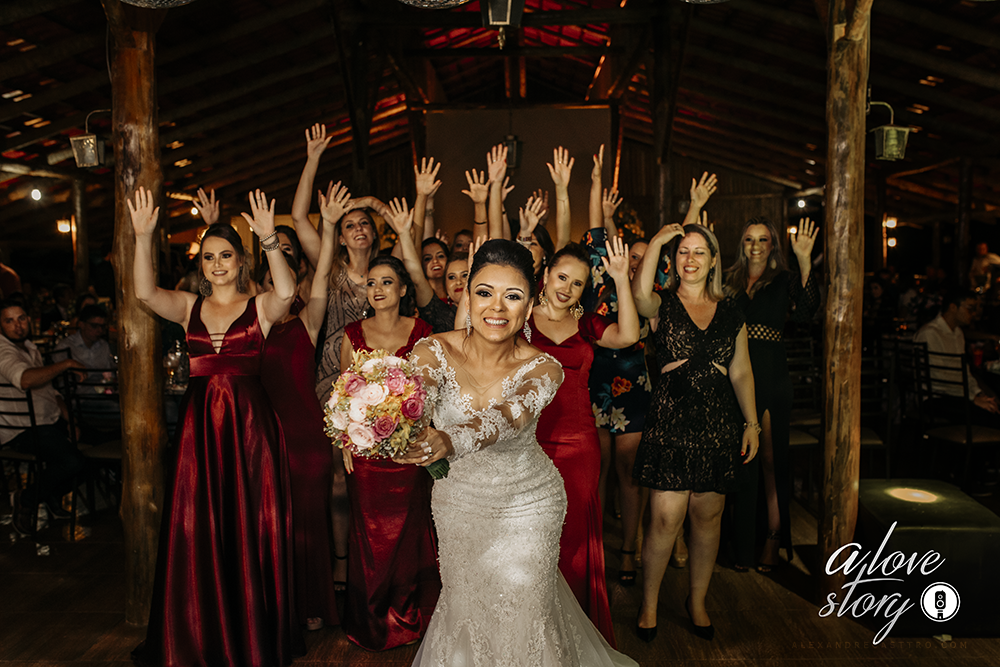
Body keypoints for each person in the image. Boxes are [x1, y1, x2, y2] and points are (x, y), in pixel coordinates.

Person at [394, 239, 637, 667]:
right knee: (467, 607)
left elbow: (509, 417)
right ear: (467, 295)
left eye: (514, 296)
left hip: (530, 504)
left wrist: (448, 440)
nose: (497, 308)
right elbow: (418, 401)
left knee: (524, 612)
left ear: (530, 306)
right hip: (459, 504)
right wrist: (400, 433)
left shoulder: (544, 367)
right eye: (485, 292)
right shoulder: (431, 351)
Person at [128, 187, 303, 667]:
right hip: (200, 430)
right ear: (201, 263)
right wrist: (144, 236)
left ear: (240, 260)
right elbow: (144, 292)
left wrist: (269, 239)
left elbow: (287, 291)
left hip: (251, 431)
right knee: (199, 525)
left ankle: (251, 631)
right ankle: (200, 629)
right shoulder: (188, 307)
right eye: (209, 257)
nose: (218, 263)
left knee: (249, 524)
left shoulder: (262, 306)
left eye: (226, 255)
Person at [631, 220, 759, 642]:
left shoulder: (732, 309)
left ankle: (697, 601)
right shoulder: (660, 304)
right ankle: (649, 605)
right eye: (683, 252)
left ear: (714, 260)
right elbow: (636, 293)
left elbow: (741, 370)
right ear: (673, 260)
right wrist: (655, 243)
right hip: (671, 424)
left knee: (708, 515)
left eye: (699, 252)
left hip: (720, 425)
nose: (690, 259)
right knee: (665, 518)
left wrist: (752, 423)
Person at [523, 217, 639, 644]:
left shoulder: (587, 324)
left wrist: (622, 280)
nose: (566, 288)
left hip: (578, 443)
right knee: (533, 537)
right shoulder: (520, 319)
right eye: (562, 277)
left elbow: (628, 334)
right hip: (528, 442)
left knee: (572, 535)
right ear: (547, 274)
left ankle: (573, 633)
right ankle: (535, 632)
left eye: (577, 283)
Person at [258, 186, 352, 633]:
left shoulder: (308, 321)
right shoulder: (249, 326)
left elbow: (323, 273)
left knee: (308, 524)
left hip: (305, 437)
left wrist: (329, 226)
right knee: (271, 524)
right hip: (262, 433)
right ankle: (274, 603)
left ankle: (312, 601)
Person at [338, 254, 438, 651]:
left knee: (410, 533)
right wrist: (345, 441)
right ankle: (370, 620)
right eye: (371, 283)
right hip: (364, 454)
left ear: (401, 289)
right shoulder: (352, 333)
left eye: (386, 282)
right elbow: (343, 394)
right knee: (369, 537)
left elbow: (430, 392)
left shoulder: (423, 331)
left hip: (408, 453)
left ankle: (409, 616)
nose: (377, 290)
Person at [725, 215, 820, 573]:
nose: (755, 246)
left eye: (763, 240)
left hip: (771, 373)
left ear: (772, 245)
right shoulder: (730, 281)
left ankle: (774, 536)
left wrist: (806, 260)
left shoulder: (783, 280)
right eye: (750, 239)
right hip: (735, 375)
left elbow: (809, 312)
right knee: (740, 461)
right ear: (742, 244)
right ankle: (739, 543)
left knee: (768, 460)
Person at [0, 298, 87, 535]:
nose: (17, 325)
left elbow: (50, 392)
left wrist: (71, 421)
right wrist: (67, 363)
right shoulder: (3, 350)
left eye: (21, 319)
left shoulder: (28, 346)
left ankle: (48, 494)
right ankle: (26, 500)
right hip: (22, 428)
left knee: (94, 451)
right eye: (9, 321)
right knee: (72, 461)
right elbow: (25, 379)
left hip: (47, 421)